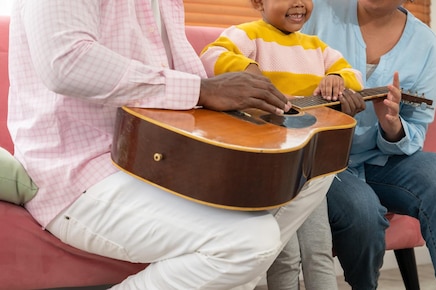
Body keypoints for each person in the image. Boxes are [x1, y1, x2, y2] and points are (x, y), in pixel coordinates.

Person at [7, 1, 335, 289]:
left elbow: (186, 78)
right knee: (251, 243)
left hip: (158, 156)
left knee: (313, 168)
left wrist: (246, 97)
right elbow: (66, 63)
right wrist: (202, 89)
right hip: (82, 172)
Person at [295, 0, 436, 289]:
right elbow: (281, 71)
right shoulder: (320, 11)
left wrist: (393, 127)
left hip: (380, 161)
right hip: (322, 164)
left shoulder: (423, 43)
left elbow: (417, 131)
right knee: (362, 209)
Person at [200, 0, 364, 289]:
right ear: (258, 2)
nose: (299, 3)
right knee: (283, 253)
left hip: (311, 165)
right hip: (271, 167)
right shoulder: (248, 34)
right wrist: (247, 69)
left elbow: (354, 76)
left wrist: (337, 78)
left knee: (319, 250)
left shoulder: (317, 47)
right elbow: (211, 55)